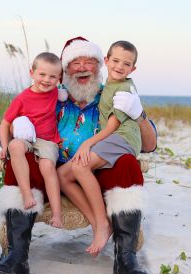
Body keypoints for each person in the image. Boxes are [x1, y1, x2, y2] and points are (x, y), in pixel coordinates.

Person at [0, 37, 157, 274]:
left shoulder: (112, 94)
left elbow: (150, 145)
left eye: (90, 61)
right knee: (21, 156)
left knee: (127, 163)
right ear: (63, 72)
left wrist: (139, 114)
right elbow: (13, 128)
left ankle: (126, 260)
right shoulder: (50, 95)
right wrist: (18, 126)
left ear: (100, 66)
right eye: (75, 62)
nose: (83, 67)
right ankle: (16, 257)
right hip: (50, 172)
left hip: (96, 174)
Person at [69, 40, 143, 256]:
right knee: (63, 175)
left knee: (80, 168)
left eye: (126, 64)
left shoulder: (124, 89)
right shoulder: (107, 87)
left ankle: (102, 224)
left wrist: (87, 143)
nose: (120, 66)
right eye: (116, 61)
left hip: (123, 138)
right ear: (106, 61)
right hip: (113, 139)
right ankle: (98, 222)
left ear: (133, 69)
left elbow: (113, 126)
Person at [0, 52, 63, 228]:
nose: (46, 80)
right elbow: (5, 123)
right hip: (27, 138)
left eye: (52, 76)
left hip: (47, 140)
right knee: (15, 146)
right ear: (32, 73)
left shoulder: (56, 92)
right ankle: (27, 195)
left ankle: (57, 214)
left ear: (59, 79)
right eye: (42, 74)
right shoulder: (22, 98)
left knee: (47, 166)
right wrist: (4, 148)